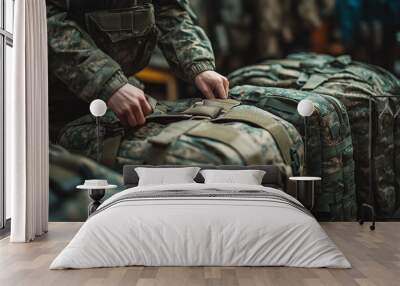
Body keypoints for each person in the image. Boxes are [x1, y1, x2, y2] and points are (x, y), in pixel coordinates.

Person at [46, 0, 229, 135]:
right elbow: (47, 21)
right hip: (49, 107)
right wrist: (108, 83)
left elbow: (168, 10)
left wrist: (199, 65)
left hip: (122, 91)